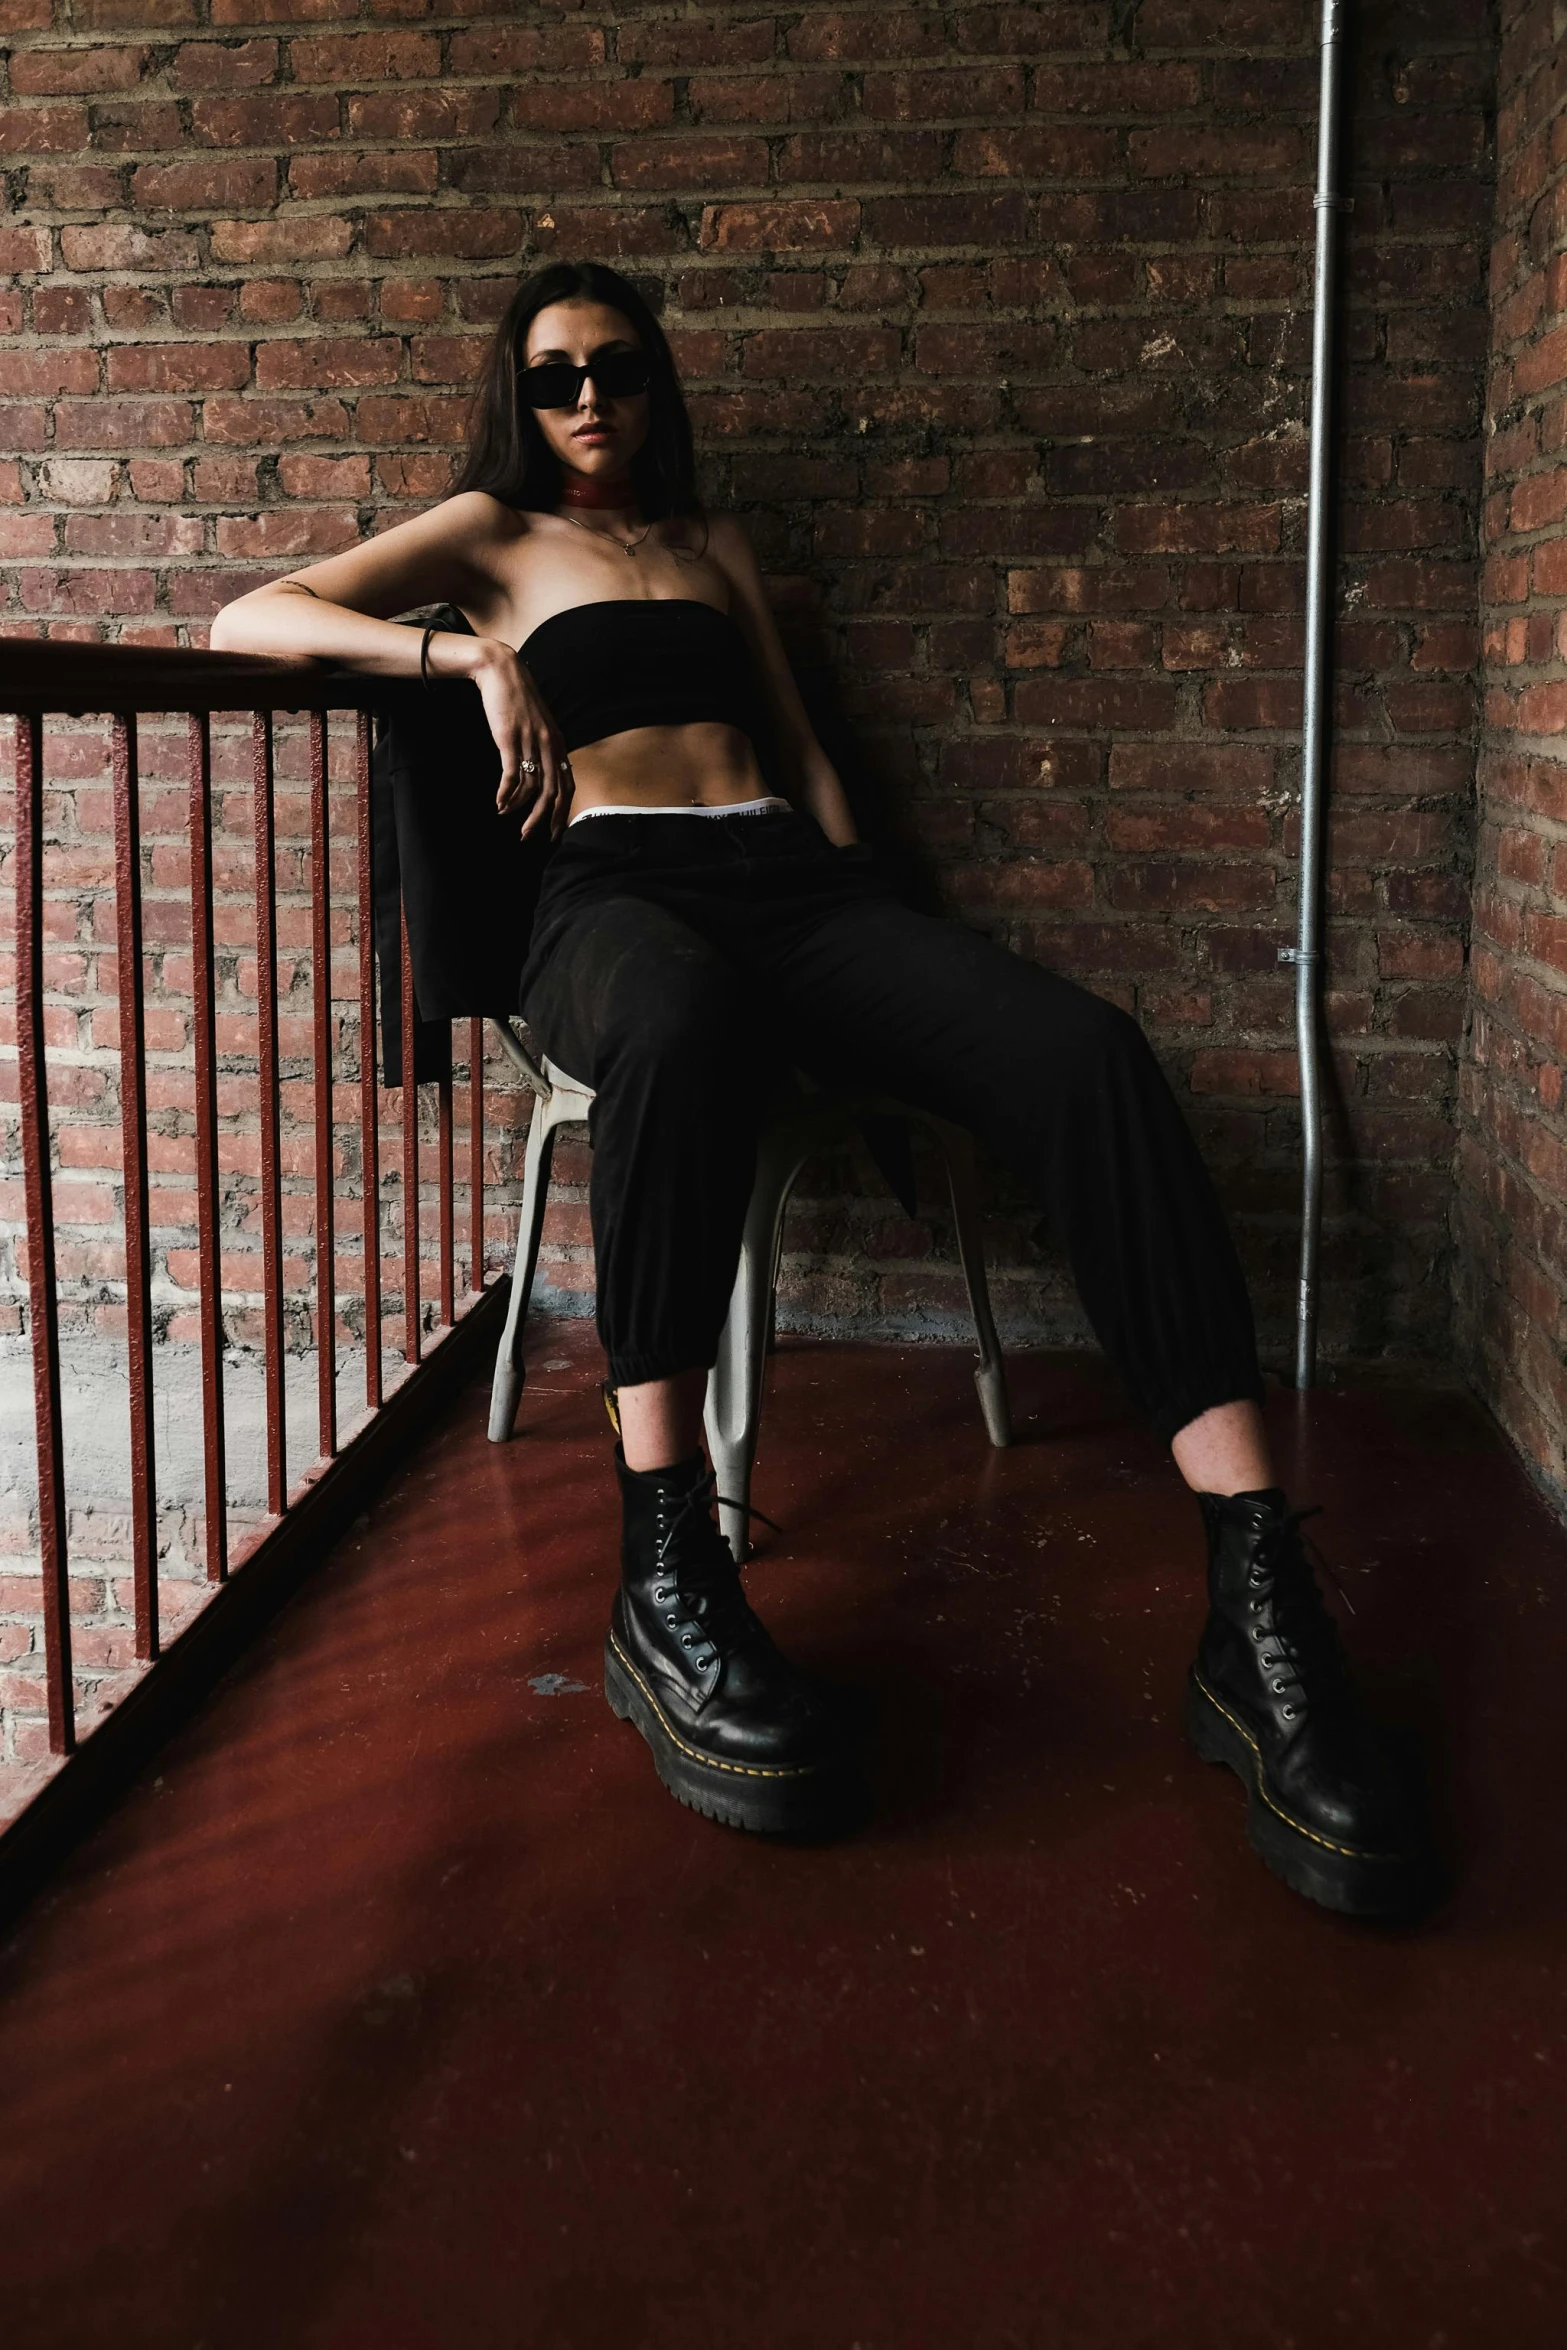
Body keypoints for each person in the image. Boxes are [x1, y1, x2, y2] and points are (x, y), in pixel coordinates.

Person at [211, 260, 1431, 1916]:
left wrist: (887, 941)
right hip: (615, 901)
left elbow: (802, 751)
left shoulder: (714, 550)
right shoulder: (492, 535)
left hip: (798, 891)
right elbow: (249, 617)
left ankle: (1258, 1596)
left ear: (657, 385)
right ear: (521, 391)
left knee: (1083, 1054)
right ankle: (661, 1558)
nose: (587, 401)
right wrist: (463, 664)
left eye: (618, 371)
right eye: (557, 374)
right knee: (683, 1019)